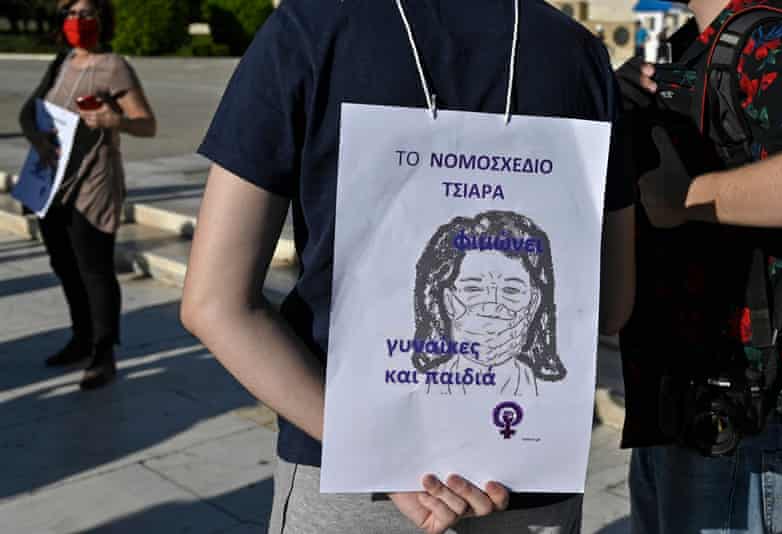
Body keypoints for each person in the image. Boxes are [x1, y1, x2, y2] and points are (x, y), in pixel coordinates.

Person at [181, 0, 635, 533]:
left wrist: (379, 452)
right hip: (529, 487)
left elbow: (215, 305)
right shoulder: (577, 52)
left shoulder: (310, 30)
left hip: (350, 485)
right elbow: (610, 306)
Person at [616, 0, 782, 532]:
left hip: (738, 407)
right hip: (683, 392)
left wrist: (686, 198)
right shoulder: (700, 40)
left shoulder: (765, 40)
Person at [19, 0, 156, 389]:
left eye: (87, 13)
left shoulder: (114, 66)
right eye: (72, 14)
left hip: (93, 183)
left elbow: (147, 123)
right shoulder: (60, 62)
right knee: (63, 263)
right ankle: (80, 338)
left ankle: (103, 352)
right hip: (53, 182)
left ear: (103, 19)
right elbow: (28, 113)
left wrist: (116, 120)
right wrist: (38, 139)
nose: (79, 22)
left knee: (94, 268)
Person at [412, 211, 564, 396]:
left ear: (534, 303)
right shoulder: (423, 389)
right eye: (473, 289)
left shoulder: (550, 394)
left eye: (511, 291)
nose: (492, 307)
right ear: (448, 300)